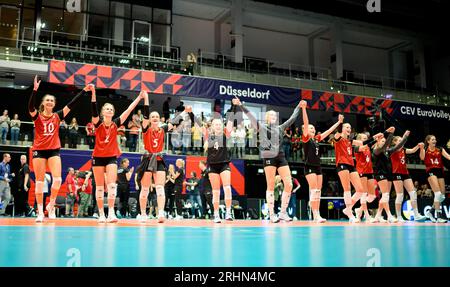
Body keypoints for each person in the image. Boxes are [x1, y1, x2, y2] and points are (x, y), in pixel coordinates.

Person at [29, 75, 88, 222]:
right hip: (39, 150)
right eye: (47, 100)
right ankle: (40, 212)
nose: (49, 102)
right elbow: (30, 107)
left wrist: (84, 91)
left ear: (54, 104)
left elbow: (72, 104)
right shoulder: (37, 116)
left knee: (57, 179)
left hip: (53, 149)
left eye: (51, 100)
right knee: (40, 182)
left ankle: (51, 203)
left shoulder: (57, 116)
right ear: (43, 103)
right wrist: (35, 90)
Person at [242, 98, 302, 223]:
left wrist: (299, 107)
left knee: (289, 184)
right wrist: (242, 106)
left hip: (280, 156)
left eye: (275, 115)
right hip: (269, 157)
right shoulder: (262, 127)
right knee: (270, 185)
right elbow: (251, 117)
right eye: (271, 115)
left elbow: (292, 119)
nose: (274, 116)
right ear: (267, 118)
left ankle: (283, 213)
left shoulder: (280, 128)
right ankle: (272, 213)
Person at [90, 85, 144, 223]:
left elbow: (129, 109)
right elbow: (93, 107)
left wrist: (139, 97)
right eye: (107, 108)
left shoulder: (116, 123)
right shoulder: (97, 123)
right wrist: (93, 92)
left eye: (111, 109)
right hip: (98, 157)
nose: (109, 110)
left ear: (113, 112)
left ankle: (111, 213)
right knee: (100, 187)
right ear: (103, 112)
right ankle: (101, 213)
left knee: (112, 185)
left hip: (111, 157)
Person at [136, 91, 184, 223]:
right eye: (152, 117)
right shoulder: (146, 128)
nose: (155, 118)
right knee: (145, 188)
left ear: (160, 118)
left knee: (159, 187)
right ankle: (143, 214)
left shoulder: (162, 129)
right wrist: (146, 98)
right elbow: (146, 113)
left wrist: (185, 112)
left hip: (159, 160)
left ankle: (161, 213)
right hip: (147, 159)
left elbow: (175, 121)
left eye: (157, 116)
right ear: (149, 119)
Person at [301, 100, 343, 223]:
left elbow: (329, 131)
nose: (312, 129)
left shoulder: (317, 139)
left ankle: (316, 213)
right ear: (305, 130)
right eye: (310, 128)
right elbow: (305, 122)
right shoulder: (306, 139)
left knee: (318, 192)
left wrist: (339, 122)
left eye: (314, 128)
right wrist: (304, 108)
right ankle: (315, 214)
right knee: (314, 190)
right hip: (309, 166)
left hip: (318, 167)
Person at [371, 128, 406, 223]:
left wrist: (405, 137)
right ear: (378, 142)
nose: (384, 142)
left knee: (385, 196)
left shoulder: (387, 151)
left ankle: (377, 215)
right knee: (385, 195)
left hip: (388, 174)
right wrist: (391, 134)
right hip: (380, 174)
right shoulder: (376, 150)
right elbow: (384, 146)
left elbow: (398, 146)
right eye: (382, 141)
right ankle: (389, 215)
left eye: (384, 141)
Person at [390, 138, 427, 222]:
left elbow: (413, 150)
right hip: (396, 173)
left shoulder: (403, 149)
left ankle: (416, 215)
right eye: (399, 140)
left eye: (401, 140)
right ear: (394, 142)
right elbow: (398, 147)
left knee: (413, 193)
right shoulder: (392, 150)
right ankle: (399, 217)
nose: (401, 142)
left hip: (405, 173)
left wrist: (418, 146)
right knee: (400, 195)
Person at [420, 135, 450, 223]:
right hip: (430, 171)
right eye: (433, 139)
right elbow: (422, 158)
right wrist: (421, 148)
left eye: (435, 139)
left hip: (440, 171)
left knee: (442, 196)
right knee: (437, 193)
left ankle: (430, 212)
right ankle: (439, 216)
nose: (435, 141)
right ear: (428, 141)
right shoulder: (425, 149)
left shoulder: (440, 149)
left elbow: (448, 156)